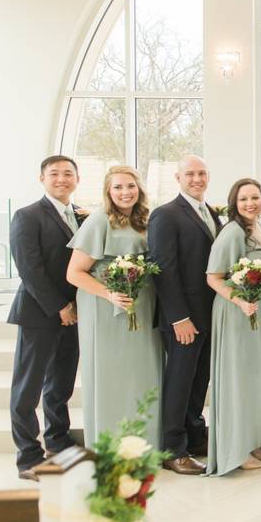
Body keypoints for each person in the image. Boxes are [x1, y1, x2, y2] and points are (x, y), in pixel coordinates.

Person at [66, 166, 161, 447]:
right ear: (108, 191)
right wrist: (110, 295)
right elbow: (74, 273)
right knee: (112, 377)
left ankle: (145, 442)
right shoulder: (99, 221)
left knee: (143, 374)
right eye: (118, 187)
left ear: (139, 189)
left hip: (142, 306)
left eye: (130, 186)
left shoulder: (145, 219)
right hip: (106, 310)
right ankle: (111, 445)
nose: (125, 192)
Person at [9, 155, 83, 481]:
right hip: (39, 313)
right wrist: (59, 307)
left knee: (61, 385)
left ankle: (58, 440)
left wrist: (75, 307)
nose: (62, 179)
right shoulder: (27, 216)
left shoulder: (81, 217)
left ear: (76, 179)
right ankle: (28, 455)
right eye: (54, 174)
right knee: (28, 389)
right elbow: (30, 270)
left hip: (75, 314)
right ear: (42, 179)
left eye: (68, 174)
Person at [147, 155, 221, 475]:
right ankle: (172, 449)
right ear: (177, 178)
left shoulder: (213, 213)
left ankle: (194, 436)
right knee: (179, 382)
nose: (196, 179)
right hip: (183, 319)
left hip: (208, 315)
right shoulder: (165, 215)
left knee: (198, 380)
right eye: (189, 174)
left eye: (202, 173)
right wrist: (179, 318)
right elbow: (164, 270)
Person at [205, 178, 261, 475]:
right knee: (239, 377)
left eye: (255, 197)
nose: (250, 203)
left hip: (259, 313)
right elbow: (213, 276)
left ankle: (253, 441)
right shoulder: (232, 232)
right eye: (244, 199)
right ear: (234, 203)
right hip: (238, 313)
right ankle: (237, 449)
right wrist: (240, 301)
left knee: (254, 375)